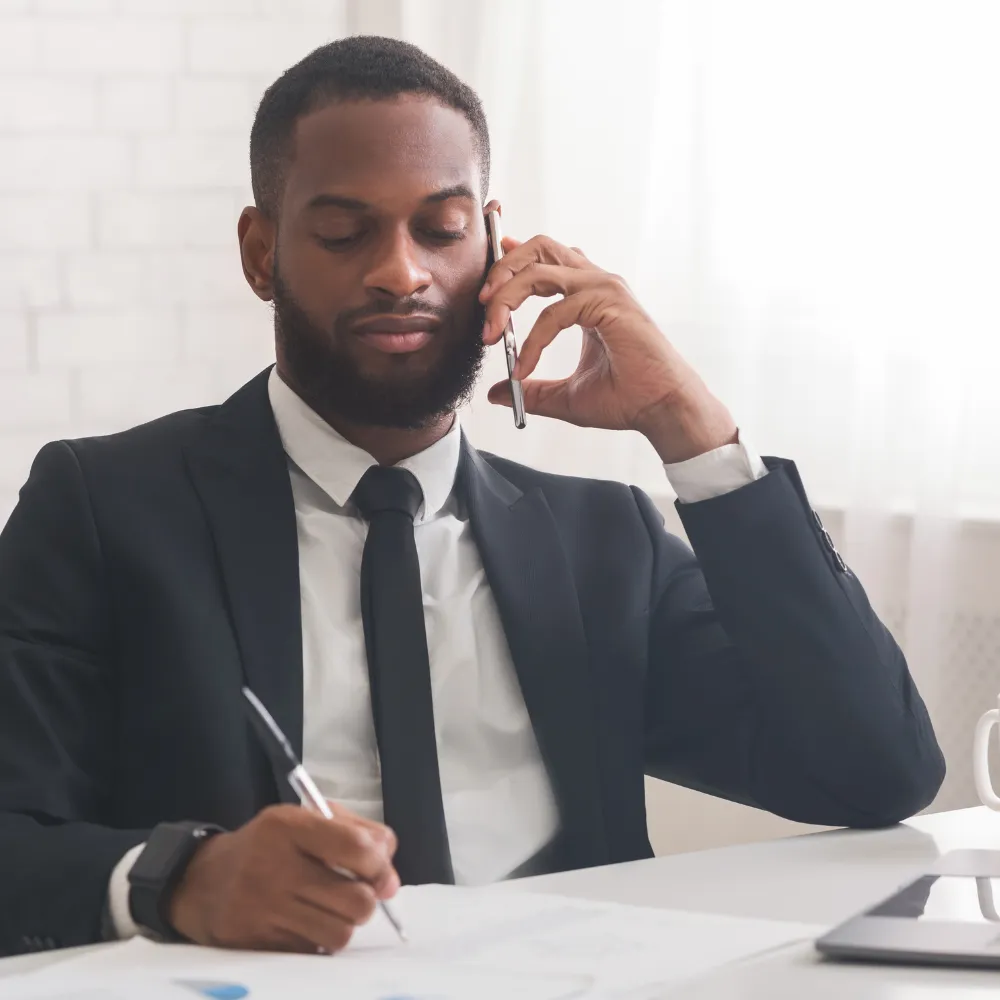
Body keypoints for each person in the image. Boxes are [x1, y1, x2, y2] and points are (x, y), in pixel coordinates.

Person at [0, 36, 944, 958]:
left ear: (497, 246)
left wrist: (693, 433)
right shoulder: (104, 509)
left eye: (442, 230)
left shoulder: (599, 541)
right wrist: (185, 879)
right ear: (261, 253)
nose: (401, 272)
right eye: (342, 231)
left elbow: (874, 771)